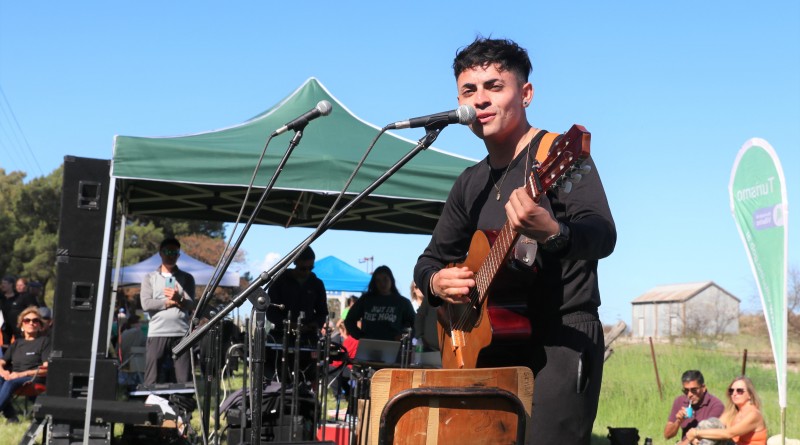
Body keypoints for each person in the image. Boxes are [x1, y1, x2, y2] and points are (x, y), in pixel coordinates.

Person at [413, 37, 616, 444]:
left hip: (560, 339)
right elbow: (429, 261)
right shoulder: (469, 183)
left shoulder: (555, 154)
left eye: (494, 86)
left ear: (526, 94)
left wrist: (554, 233)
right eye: (469, 91)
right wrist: (437, 282)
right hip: (491, 348)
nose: (480, 100)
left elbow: (603, 235)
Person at [140, 238, 196, 386]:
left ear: (179, 255)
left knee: (184, 378)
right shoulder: (150, 278)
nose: (171, 255)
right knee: (152, 378)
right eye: (167, 251)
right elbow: (146, 304)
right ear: (160, 253)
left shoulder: (187, 278)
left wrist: (179, 299)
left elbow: (191, 305)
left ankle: (183, 401)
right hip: (157, 332)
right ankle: (151, 401)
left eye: (174, 252)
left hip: (181, 332)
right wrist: (168, 303)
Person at [0, 306, 51, 423]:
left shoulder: (44, 341)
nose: (31, 323)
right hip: (14, 377)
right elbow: (1, 361)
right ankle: (11, 417)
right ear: (22, 325)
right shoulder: (17, 343)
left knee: (10, 382)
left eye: (35, 320)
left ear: (40, 326)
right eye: (27, 320)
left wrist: (21, 374)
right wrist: (3, 372)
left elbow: (46, 369)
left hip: (33, 378)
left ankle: (10, 416)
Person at [267, 246, 328, 343]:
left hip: (308, 337)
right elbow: (271, 312)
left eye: (310, 268)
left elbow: (322, 312)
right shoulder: (279, 281)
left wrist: (315, 324)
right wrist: (289, 324)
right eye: (303, 269)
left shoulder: (317, 284)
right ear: (295, 262)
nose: (307, 272)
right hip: (281, 336)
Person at [686, 376, 768, 445]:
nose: (734, 394)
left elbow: (729, 433)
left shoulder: (754, 414)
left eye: (739, 391)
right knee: (710, 424)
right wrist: (695, 437)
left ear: (750, 395)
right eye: (731, 391)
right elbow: (714, 425)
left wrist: (696, 433)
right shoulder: (733, 411)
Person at [344, 265, 415, 342]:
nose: (382, 283)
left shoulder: (402, 303)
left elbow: (416, 324)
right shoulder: (366, 300)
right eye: (378, 281)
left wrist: (403, 337)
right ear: (374, 283)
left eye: (385, 279)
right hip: (369, 344)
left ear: (391, 280)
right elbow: (349, 320)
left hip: (393, 345)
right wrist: (360, 336)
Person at [665, 370, 725, 444]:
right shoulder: (680, 401)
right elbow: (667, 435)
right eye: (686, 391)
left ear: (703, 388)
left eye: (694, 390)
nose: (689, 394)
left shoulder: (716, 405)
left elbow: (708, 437)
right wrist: (678, 421)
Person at [1, 275, 39, 348]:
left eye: (21, 285)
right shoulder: (4, 297)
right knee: (6, 345)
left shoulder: (27, 296)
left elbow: (34, 310)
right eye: (17, 285)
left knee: (21, 344)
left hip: (20, 326)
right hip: (7, 326)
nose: (19, 287)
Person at [412, 281, 439, 352]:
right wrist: (420, 336)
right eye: (416, 287)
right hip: (429, 348)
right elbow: (420, 317)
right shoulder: (431, 296)